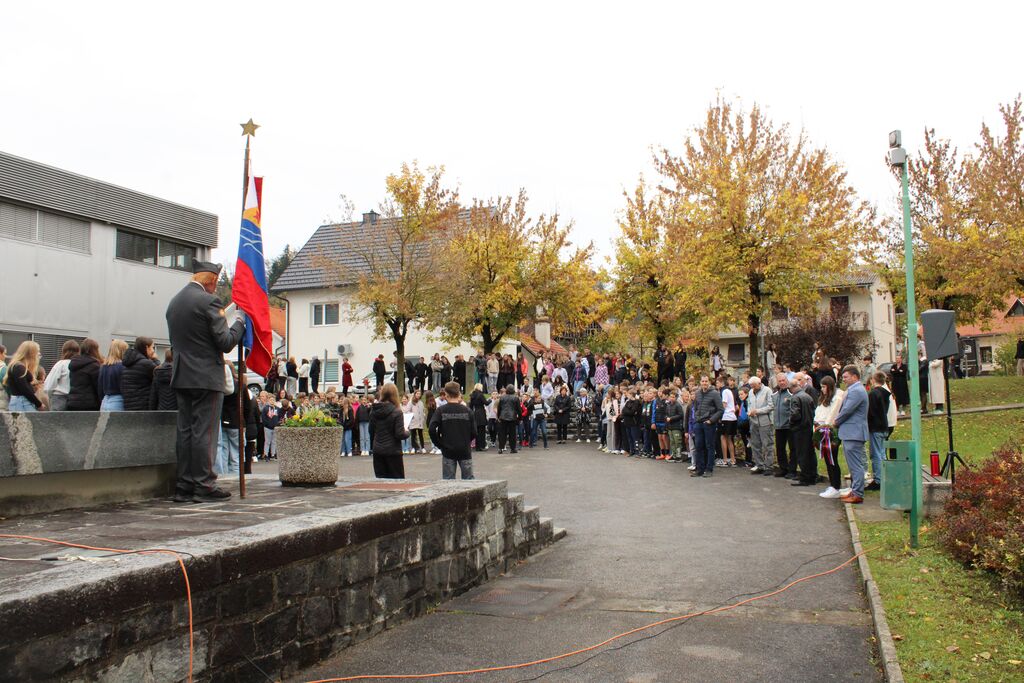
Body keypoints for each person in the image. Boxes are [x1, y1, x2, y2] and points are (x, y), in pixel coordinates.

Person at [165, 259, 246, 503]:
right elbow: (225, 342)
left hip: (182, 374)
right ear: (211, 281)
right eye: (216, 283)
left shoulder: (175, 302)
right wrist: (239, 323)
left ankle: (184, 485)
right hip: (206, 376)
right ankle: (204, 484)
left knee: (186, 431)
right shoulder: (209, 301)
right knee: (205, 432)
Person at [832, 365, 869, 504]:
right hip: (851, 432)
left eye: (846, 377)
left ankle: (858, 493)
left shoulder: (857, 391)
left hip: (854, 432)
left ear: (854, 376)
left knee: (855, 465)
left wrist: (836, 421)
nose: (844, 379)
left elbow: (847, 410)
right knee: (853, 464)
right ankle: (854, 490)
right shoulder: (854, 389)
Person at [430, 381, 476, 479]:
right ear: (459, 393)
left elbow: (431, 429)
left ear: (446, 394)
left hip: (448, 449)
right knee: (469, 481)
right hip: (464, 449)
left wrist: (439, 444)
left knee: (448, 481)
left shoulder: (441, 411)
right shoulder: (467, 411)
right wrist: (467, 441)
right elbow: (474, 432)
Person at [370, 383, 409, 478]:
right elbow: (399, 434)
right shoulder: (397, 412)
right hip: (393, 451)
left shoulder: (374, 411)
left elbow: (371, 430)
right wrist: (407, 432)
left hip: (378, 450)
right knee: (397, 481)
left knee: (381, 481)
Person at [787, 373, 817, 487]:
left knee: (801, 454)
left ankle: (804, 477)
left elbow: (795, 414)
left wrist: (791, 422)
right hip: (808, 427)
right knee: (810, 453)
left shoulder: (795, 397)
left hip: (799, 429)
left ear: (792, 388)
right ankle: (812, 476)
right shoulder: (807, 396)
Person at [866, 371, 894, 492]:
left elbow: (871, 412)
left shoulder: (873, 394)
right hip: (884, 425)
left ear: (873, 380)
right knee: (882, 453)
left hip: (876, 427)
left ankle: (878, 479)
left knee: (876, 454)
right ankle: (884, 476)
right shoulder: (886, 393)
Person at [691, 375, 723, 477]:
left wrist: (711, 420)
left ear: (709, 382)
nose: (704, 383)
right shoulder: (697, 393)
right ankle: (700, 469)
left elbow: (720, 410)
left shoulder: (715, 393)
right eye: (703, 381)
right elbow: (695, 407)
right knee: (698, 446)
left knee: (709, 446)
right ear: (700, 382)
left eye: (706, 381)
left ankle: (709, 469)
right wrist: (696, 419)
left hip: (709, 424)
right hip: (698, 423)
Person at [2, 341, 44, 411]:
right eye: (37, 351)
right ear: (31, 353)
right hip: (21, 402)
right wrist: (39, 404)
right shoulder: (19, 367)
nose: (39, 354)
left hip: (21, 402)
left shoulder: (18, 366)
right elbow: (25, 389)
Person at [745, 376, 775, 475]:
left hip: (765, 422)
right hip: (753, 421)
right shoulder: (750, 392)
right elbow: (749, 403)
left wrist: (757, 411)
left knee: (767, 445)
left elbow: (771, 406)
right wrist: (749, 412)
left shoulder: (767, 390)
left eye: (754, 386)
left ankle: (769, 466)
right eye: (751, 386)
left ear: (759, 383)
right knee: (755, 444)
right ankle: (759, 465)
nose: (752, 388)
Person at [121, 337, 158, 411]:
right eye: (152, 347)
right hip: (143, 406)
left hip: (129, 406)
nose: (153, 351)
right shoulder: (146, 364)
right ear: (147, 347)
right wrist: (155, 360)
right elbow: (159, 374)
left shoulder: (127, 363)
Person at [43, 339, 80, 411]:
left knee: (56, 418)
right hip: (75, 399)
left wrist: (50, 395)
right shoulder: (79, 365)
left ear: (64, 351)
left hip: (58, 397)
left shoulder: (60, 364)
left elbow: (50, 383)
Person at [67, 338, 104, 411]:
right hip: (89, 404)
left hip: (72, 402)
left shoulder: (74, 364)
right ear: (94, 350)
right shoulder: (94, 366)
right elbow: (98, 387)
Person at [772, 373, 793, 477]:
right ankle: (783, 468)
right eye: (779, 381)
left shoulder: (791, 394)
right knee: (780, 448)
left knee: (792, 449)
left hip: (789, 426)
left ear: (787, 380)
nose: (782, 382)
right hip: (778, 426)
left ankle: (792, 470)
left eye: (783, 380)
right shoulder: (775, 395)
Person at [99, 339, 129, 412]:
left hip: (104, 402)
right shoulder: (123, 367)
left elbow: (99, 388)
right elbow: (124, 388)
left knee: (103, 420)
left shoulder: (103, 367)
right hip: (118, 402)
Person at [497, 384, 521, 453]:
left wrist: (498, 416)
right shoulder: (516, 398)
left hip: (503, 417)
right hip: (512, 418)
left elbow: (499, 408)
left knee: (502, 434)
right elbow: (519, 409)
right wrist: (520, 418)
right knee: (512, 434)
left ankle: (500, 448)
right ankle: (513, 448)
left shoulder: (502, 397)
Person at [469, 383, 489, 451]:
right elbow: (486, 403)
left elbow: (470, 406)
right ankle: (481, 446)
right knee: (482, 430)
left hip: (475, 413)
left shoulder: (472, 395)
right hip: (481, 413)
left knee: (477, 430)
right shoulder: (481, 395)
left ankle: (477, 446)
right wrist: (490, 400)